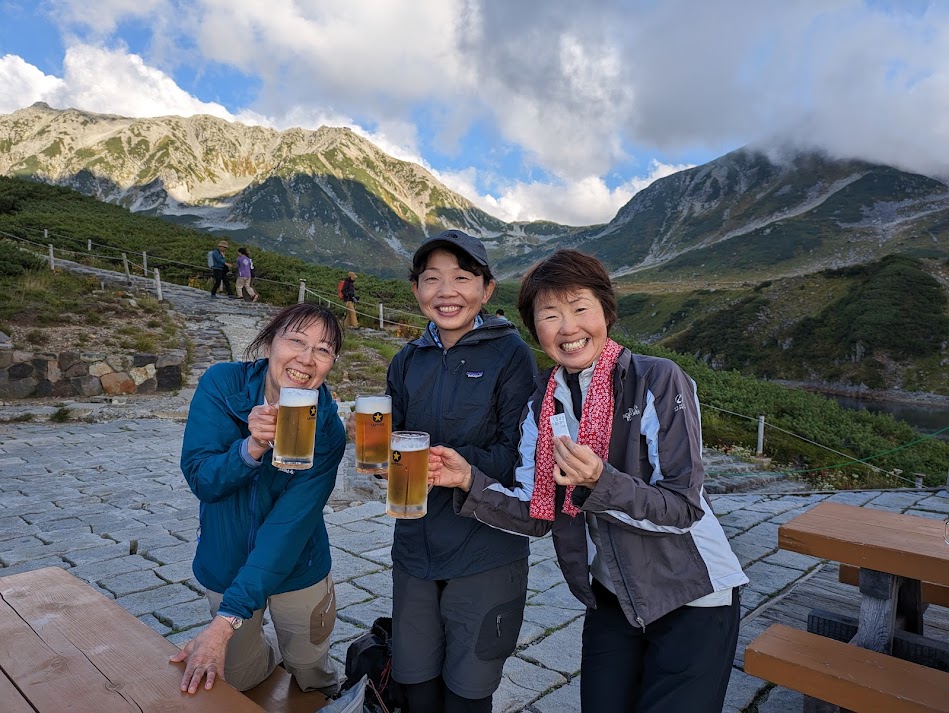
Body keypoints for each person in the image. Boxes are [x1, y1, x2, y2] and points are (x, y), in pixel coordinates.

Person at [430, 249, 748, 713]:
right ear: (534, 328)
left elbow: (683, 507)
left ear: (606, 311)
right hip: (612, 596)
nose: (568, 327)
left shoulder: (657, 380)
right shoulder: (543, 404)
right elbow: (537, 513)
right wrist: (468, 481)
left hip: (692, 593)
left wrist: (601, 481)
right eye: (550, 314)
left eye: (580, 308)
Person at [386, 230, 537, 713]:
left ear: (487, 290)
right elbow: (395, 442)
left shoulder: (512, 355)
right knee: (415, 684)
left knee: (468, 692)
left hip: (485, 551)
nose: (446, 292)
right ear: (417, 291)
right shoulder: (407, 360)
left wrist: (463, 468)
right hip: (415, 548)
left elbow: (521, 454)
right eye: (432, 279)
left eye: (462, 278)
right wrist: (377, 459)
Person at [173, 303, 345, 697]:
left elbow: (288, 528)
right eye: (296, 341)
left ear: (331, 362)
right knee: (241, 677)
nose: (306, 358)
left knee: (308, 666)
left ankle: (326, 697)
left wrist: (226, 620)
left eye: (323, 349)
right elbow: (203, 480)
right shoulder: (221, 384)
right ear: (269, 342)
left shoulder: (328, 429)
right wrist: (249, 449)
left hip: (298, 565)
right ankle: (267, 662)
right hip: (225, 561)